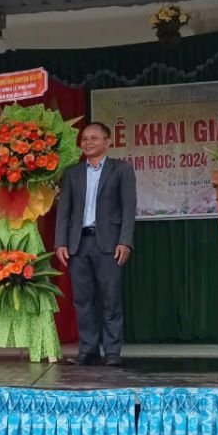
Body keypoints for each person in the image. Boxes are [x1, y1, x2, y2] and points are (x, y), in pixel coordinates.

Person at [55, 122, 137, 367]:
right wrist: (60, 242)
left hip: (109, 244)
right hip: (78, 244)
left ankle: (112, 351)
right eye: (84, 139)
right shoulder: (73, 173)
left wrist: (125, 241)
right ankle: (88, 350)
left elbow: (129, 208)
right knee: (82, 300)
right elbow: (64, 211)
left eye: (93, 138)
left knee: (111, 299)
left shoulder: (121, 169)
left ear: (107, 142)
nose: (88, 143)